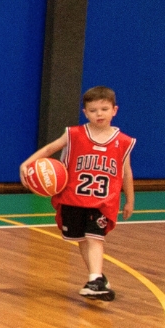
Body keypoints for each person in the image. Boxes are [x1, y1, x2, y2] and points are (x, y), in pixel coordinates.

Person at [20, 86, 136, 301]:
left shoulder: (124, 141)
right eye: (93, 110)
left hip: (103, 202)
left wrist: (130, 199)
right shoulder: (74, 134)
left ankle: (94, 280)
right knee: (82, 239)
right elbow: (48, 149)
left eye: (104, 109)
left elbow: (126, 173)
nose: (99, 114)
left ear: (114, 110)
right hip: (73, 199)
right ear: (85, 113)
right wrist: (27, 164)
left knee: (94, 238)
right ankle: (98, 276)